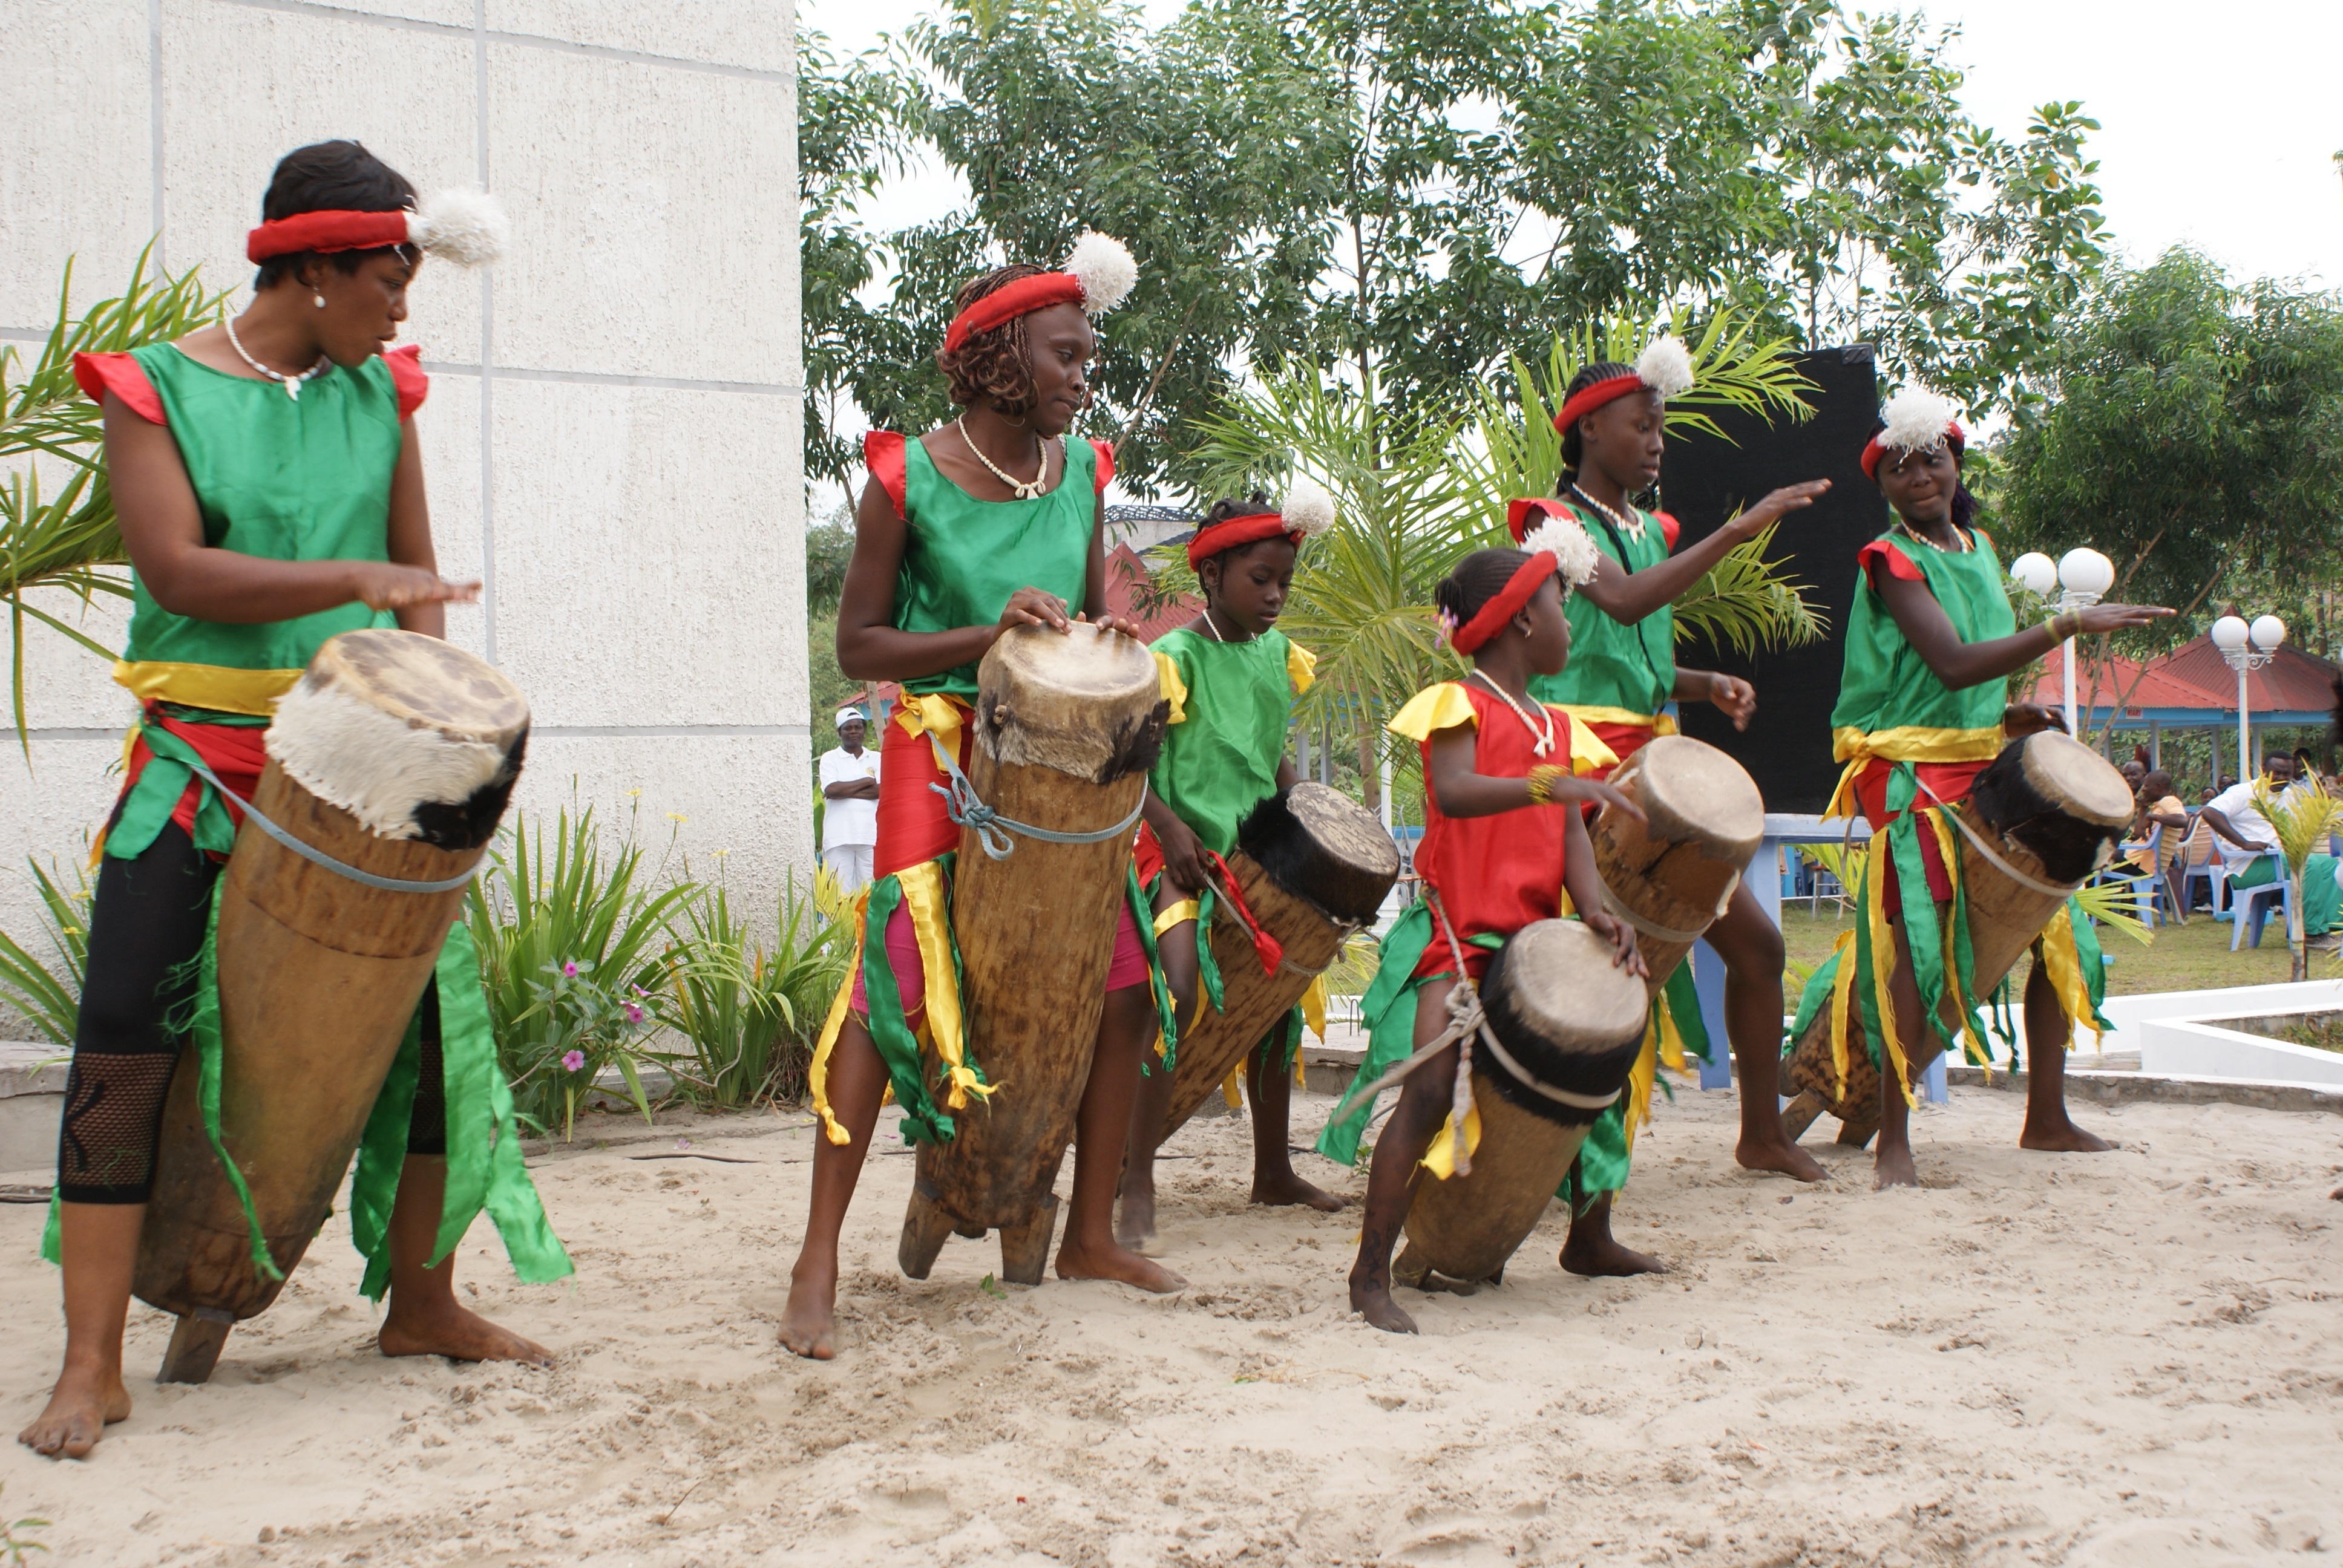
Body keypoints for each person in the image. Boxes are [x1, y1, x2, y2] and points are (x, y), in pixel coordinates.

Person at [22, 142, 568, 1460]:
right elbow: (180, 569)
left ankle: (423, 1304)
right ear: (315, 267)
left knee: (433, 1041)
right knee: (121, 1039)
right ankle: (91, 1362)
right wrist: (352, 579)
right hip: (204, 771)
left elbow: (416, 581)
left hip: (365, 772)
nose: (402, 303)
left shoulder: (383, 394)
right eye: (388, 276)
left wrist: (455, 724)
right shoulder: (152, 388)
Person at [780, 236, 1181, 1361]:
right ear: (1004, 360)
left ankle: (1090, 1234)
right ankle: (816, 1262)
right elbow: (864, 641)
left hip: (1058, 758)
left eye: (1086, 356)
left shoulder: (1086, 471)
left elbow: (1097, 609)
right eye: (1064, 355)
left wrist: (1111, 640)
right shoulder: (904, 478)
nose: (1080, 375)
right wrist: (985, 634)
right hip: (939, 743)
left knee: (1122, 985)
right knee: (888, 991)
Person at [1514, 339, 1833, 1275]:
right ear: (1586, 431)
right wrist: (1739, 531)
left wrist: (1701, 683)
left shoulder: (1651, 527)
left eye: (1662, 427)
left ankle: (1759, 1134)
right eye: (1640, 426)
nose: (1657, 442)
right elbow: (1614, 607)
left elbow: (1644, 650)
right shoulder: (1549, 522)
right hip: (1585, 774)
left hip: (1655, 766)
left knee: (1759, 949)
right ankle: (1581, 1206)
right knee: (1608, 983)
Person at [1810, 385, 2171, 1188]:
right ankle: (1893, 1138)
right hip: (1902, 765)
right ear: (1883, 486)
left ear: (1955, 461)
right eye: (1899, 468)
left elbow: (1968, 672)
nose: (1918, 478)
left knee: (2055, 923)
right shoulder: (1891, 558)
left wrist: (2010, 712)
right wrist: (2067, 625)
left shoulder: (1976, 547)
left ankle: (2046, 1117)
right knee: (1922, 937)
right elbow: (1945, 664)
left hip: (1976, 753)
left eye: (1930, 459)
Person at [1325, 541, 1647, 1333]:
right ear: (1522, 622)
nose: (1569, 620)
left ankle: (1588, 1235)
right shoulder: (1457, 703)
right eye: (1560, 607)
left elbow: (1571, 834)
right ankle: (1370, 1275)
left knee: (1589, 1080)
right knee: (1431, 1091)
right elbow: (1459, 793)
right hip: (1460, 934)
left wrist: (1599, 907)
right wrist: (1547, 782)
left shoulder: (1558, 724)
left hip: (1536, 942)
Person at [1116, 486, 1342, 1250]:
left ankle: (1272, 1169)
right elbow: (1127, 768)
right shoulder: (1170, 659)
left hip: (1252, 857)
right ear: (1210, 577)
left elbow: (1267, 747)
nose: (1275, 595)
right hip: (1173, 850)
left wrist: (1306, 812)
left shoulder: (1279, 656)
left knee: (1275, 996)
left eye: (1284, 580)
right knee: (1175, 984)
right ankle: (1135, 1175)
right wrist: (1171, 828)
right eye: (1260, 579)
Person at [2201, 754, 2342, 944]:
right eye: (2276, 773)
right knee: (2308, 866)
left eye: (2287, 773)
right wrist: (2244, 843)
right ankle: (2310, 933)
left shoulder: (2289, 795)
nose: (2281, 778)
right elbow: (2209, 812)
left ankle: (2332, 928)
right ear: (2264, 771)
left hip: (2280, 859)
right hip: (2249, 866)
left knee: (2332, 866)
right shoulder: (2243, 792)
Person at [817, 707, 880, 893]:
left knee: (870, 894)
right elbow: (831, 789)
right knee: (839, 896)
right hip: (839, 837)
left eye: (857, 727)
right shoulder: (830, 758)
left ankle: (867, 926)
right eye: (848, 728)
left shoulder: (877, 758)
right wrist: (868, 781)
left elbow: (881, 791)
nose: (853, 731)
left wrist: (843, 791)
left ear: (864, 730)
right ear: (840, 733)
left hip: (870, 836)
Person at [2129, 769, 2191, 922]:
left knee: (2100, 860)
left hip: (2145, 863)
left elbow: (2182, 820)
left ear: (2158, 787)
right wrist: (2144, 808)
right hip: (2141, 859)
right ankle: (2126, 912)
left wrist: (2153, 816)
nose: (2143, 789)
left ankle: (2103, 913)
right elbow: (2137, 834)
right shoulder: (2158, 804)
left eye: (2147, 786)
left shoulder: (2168, 801)